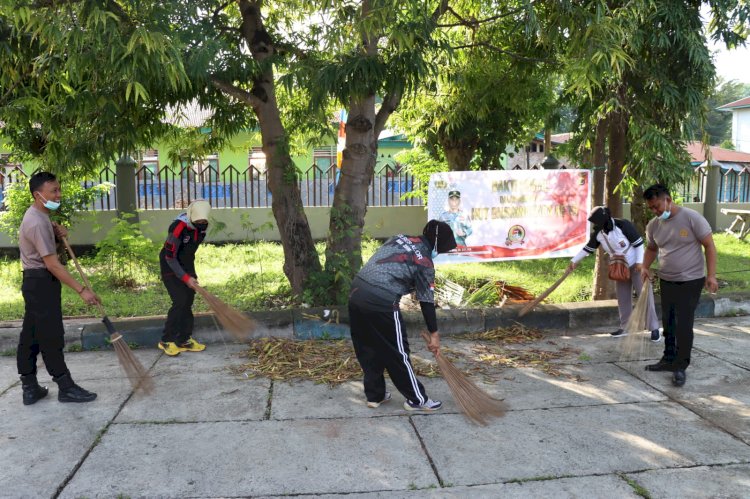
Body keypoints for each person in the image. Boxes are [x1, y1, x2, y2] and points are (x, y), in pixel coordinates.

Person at [348, 220, 457, 412]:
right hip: (381, 300)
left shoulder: (400, 238)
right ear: (439, 244)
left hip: (356, 293)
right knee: (398, 353)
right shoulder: (425, 262)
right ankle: (417, 399)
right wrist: (434, 333)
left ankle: (375, 395)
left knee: (368, 347)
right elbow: (426, 301)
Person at [17, 172, 100, 405]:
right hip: (41, 282)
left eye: (58, 189)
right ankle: (65, 386)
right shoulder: (36, 221)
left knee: (31, 334)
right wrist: (82, 290)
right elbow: (52, 264)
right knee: (51, 335)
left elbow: (51, 253)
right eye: (53, 190)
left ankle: (29, 387)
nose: (58, 194)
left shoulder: (41, 217)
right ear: (38, 194)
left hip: (36, 282)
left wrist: (60, 235)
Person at [640, 184, 717, 387]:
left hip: (691, 280)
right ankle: (668, 358)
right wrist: (645, 267)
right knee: (669, 321)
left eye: (657, 206)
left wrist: (711, 276)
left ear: (668, 200)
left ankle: (681, 366)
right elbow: (651, 248)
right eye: (651, 208)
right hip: (667, 279)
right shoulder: (653, 226)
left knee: (684, 323)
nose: (655, 211)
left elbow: (709, 245)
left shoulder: (692, 218)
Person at [567, 206, 661, 340]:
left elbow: (639, 244)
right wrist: (574, 261)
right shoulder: (599, 233)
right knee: (623, 297)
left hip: (636, 265)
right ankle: (626, 327)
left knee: (645, 295)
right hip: (619, 268)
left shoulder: (623, 225)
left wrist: (640, 263)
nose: (595, 224)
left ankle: (654, 328)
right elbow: (588, 248)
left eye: (596, 221)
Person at [158, 199, 211, 356]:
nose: (202, 223)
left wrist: (191, 275)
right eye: (199, 221)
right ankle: (166, 341)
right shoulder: (178, 227)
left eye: (204, 220)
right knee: (180, 300)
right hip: (169, 265)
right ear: (192, 216)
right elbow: (170, 256)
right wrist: (185, 278)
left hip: (186, 264)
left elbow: (188, 254)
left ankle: (184, 340)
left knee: (188, 299)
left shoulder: (200, 230)